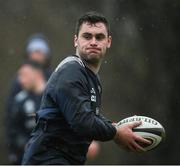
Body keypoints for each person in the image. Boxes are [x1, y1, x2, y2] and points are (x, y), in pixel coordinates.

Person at [22, 11, 151, 165]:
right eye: (87, 36)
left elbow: (88, 115)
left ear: (108, 42)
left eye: (99, 37)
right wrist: (116, 133)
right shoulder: (71, 71)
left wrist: (113, 126)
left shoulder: (91, 77)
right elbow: (82, 122)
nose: (93, 42)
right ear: (76, 41)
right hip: (47, 160)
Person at [6, 61, 46, 164]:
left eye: (24, 75)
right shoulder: (19, 100)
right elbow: (12, 130)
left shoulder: (56, 96)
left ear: (37, 74)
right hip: (27, 158)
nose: (20, 80)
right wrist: (26, 145)